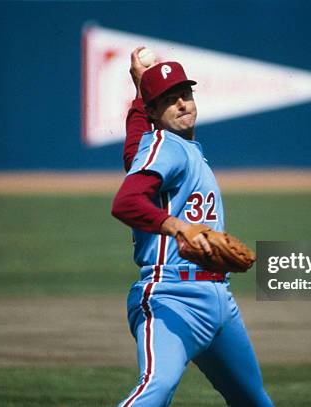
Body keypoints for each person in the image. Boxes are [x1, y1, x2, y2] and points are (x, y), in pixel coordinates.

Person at [111, 47, 274, 407]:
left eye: (186, 94)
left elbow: (133, 154)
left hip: (219, 303)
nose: (182, 103)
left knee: (253, 401)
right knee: (157, 387)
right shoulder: (166, 145)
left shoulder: (176, 149)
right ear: (155, 112)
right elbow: (125, 202)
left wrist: (142, 90)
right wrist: (177, 226)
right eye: (170, 100)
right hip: (171, 296)